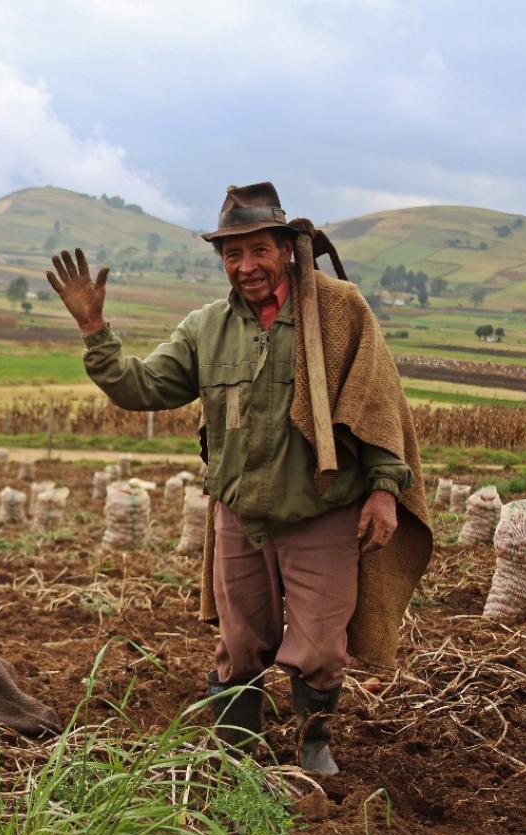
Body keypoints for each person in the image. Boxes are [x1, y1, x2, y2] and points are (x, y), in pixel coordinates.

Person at [46, 182, 431, 775]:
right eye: (232, 254)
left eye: (257, 251)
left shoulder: (337, 311)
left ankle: (313, 746)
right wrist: (96, 330)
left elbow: (377, 403)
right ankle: (235, 752)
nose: (246, 266)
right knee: (241, 644)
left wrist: (384, 489)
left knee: (322, 645)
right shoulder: (205, 328)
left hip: (321, 511)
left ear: (285, 249)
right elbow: (142, 387)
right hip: (241, 516)